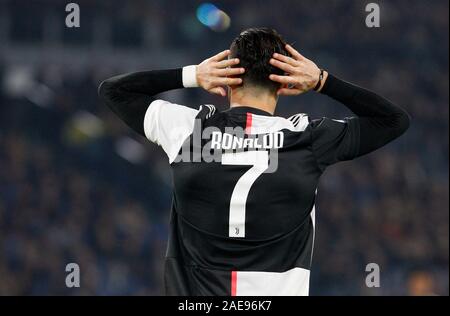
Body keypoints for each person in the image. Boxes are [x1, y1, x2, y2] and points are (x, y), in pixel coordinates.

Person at [98, 28, 410, 296]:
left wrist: (193, 74)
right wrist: (322, 81)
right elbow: (393, 120)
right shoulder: (306, 137)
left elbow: (114, 91)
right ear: (285, 83)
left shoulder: (188, 129)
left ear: (228, 77)